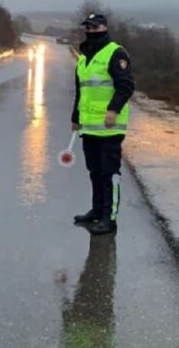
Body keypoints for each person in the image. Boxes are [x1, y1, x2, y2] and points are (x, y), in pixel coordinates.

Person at [71, 13, 134, 235]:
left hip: (109, 127)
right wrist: (75, 117)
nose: (90, 30)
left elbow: (125, 86)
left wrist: (113, 110)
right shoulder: (84, 56)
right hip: (89, 127)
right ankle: (97, 211)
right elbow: (82, 90)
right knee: (95, 172)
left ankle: (110, 218)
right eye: (88, 27)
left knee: (109, 173)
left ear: (104, 28)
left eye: (95, 27)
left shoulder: (115, 53)